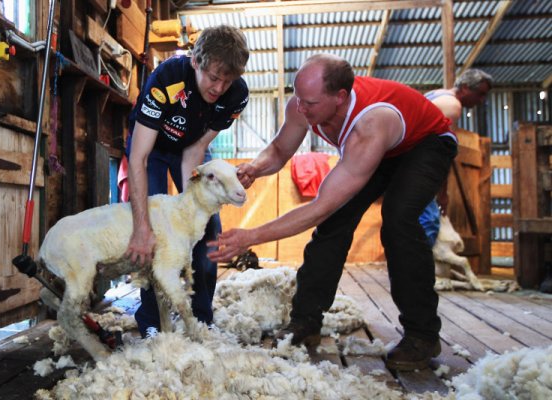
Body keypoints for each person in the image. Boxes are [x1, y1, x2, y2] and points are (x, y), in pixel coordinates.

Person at [208, 54, 458, 371]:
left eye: (309, 102)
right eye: (297, 97)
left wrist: (251, 236)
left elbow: (318, 207)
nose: (300, 108)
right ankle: (305, 321)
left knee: (399, 220)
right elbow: (280, 150)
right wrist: (255, 168)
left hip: (426, 144)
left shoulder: (369, 125)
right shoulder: (303, 104)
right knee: (333, 225)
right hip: (380, 149)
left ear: (340, 98)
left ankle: (422, 334)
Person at [125, 25, 249, 338]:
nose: (219, 87)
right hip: (150, 150)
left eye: (228, 79)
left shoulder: (236, 95)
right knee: (152, 228)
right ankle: (152, 319)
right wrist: (142, 226)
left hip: (189, 150)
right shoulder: (166, 80)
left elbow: (194, 151)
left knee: (207, 231)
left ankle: (201, 319)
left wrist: (192, 208)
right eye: (213, 77)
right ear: (196, 61)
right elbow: (138, 158)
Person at [420, 68, 493, 244]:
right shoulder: (451, 106)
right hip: (418, 167)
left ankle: (409, 269)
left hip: (407, 163)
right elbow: (442, 153)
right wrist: (442, 193)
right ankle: (417, 271)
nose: (481, 100)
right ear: (466, 87)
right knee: (428, 223)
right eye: (480, 94)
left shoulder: (436, 94)